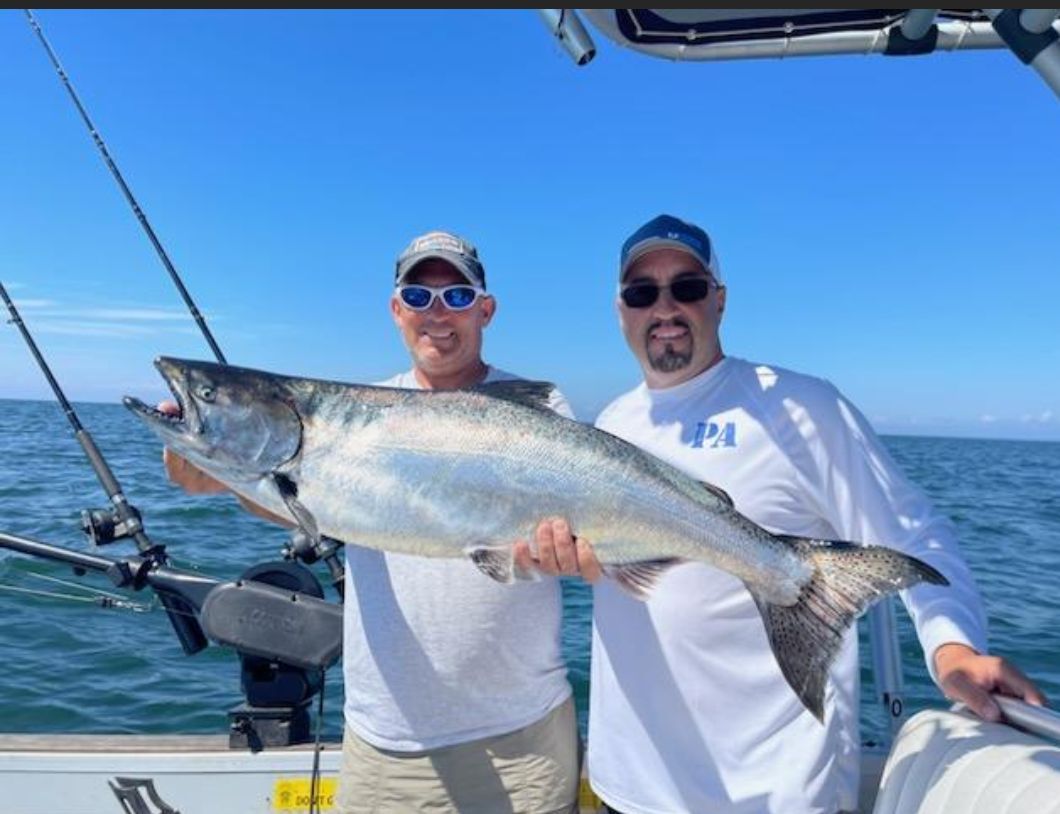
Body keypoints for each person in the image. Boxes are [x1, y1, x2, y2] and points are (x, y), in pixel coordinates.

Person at [517, 214, 1046, 814]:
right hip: (632, 786)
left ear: (719, 299)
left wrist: (952, 647)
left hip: (772, 791)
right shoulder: (613, 422)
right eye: (643, 293)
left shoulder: (802, 407)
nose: (664, 308)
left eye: (686, 287)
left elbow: (914, 533)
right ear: (621, 311)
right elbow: (618, 572)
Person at [162, 229, 581, 814]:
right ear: (395, 310)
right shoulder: (360, 415)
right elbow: (307, 505)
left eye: (458, 296)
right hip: (388, 742)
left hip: (524, 739)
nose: (437, 313)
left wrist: (570, 554)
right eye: (418, 296)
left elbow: (573, 538)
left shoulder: (541, 411)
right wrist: (222, 477)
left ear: (485, 310)